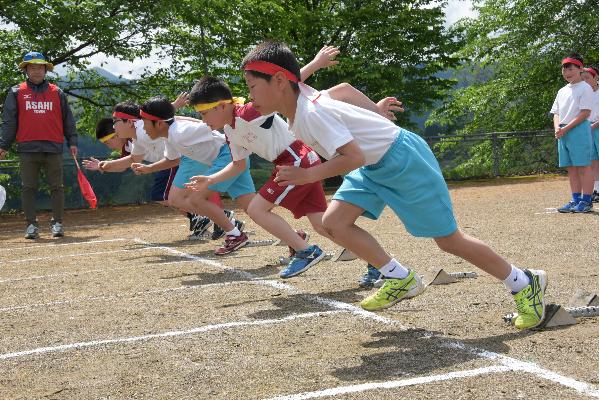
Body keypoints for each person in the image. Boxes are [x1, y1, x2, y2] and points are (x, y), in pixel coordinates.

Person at [240, 40, 548, 330]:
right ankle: (398, 276)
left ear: (279, 81)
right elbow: (344, 90)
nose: (250, 95)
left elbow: (353, 155)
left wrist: (308, 175)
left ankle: (523, 282)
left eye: (252, 86)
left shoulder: (310, 113)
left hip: (402, 161)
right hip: (374, 165)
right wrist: (375, 113)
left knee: (449, 240)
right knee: (334, 222)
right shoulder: (301, 100)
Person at [82, 103, 232, 239]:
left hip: (185, 158)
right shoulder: (137, 138)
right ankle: (221, 220)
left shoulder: (142, 131)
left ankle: (220, 220)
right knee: (180, 197)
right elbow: (132, 160)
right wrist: (104, 166)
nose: (113, 127)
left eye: (116, 122)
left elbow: (170, 120)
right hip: (179, 158)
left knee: (174, 197)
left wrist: (205, 123)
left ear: (130, 122)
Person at [132, 96, 254, 255]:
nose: (143, 128)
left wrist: (234, 108)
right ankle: (294, 238)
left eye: (145, 123)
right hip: (232, 155)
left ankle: (234, 235)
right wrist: (149, 168)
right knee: (254, 208)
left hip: (228, 155)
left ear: (160, 123)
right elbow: (172, 159)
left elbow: (212, 123)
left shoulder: (180, 132)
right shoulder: (170, 135)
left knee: (196, 198)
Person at [0, 51, 77, 239]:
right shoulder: (16, 92)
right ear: (26, 70)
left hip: (53, 147)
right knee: (28, 188)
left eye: (40, 67)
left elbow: (68, 120)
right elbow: (9, 122)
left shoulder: (57, 92)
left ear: (45, 70)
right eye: (32, 67)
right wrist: (3, 145)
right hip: (27, 148)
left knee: (57, 187)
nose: (36, 71)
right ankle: (31, 226)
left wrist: (72, 141)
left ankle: (57, 223)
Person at [551, 53, 595, 213]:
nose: (567, 73)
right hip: (563, 131)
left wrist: (565, 128)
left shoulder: (585, 88)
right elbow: (556, 112)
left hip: (578, 129)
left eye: (570, 69)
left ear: (580, 68)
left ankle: (587, 200)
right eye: (564, 70)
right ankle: (575, 199)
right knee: (571, 168)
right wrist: (557, 128)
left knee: (583, 166)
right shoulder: (562, 91)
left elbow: (585, 113)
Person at [580, 65, 599, 203]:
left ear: (596, 77)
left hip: (595, 127)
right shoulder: (584, 94)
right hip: (589, 129)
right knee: (593, 161)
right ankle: (597, 190)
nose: (585, 81)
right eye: (583, 78)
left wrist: (594, 125)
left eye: (587, 78)